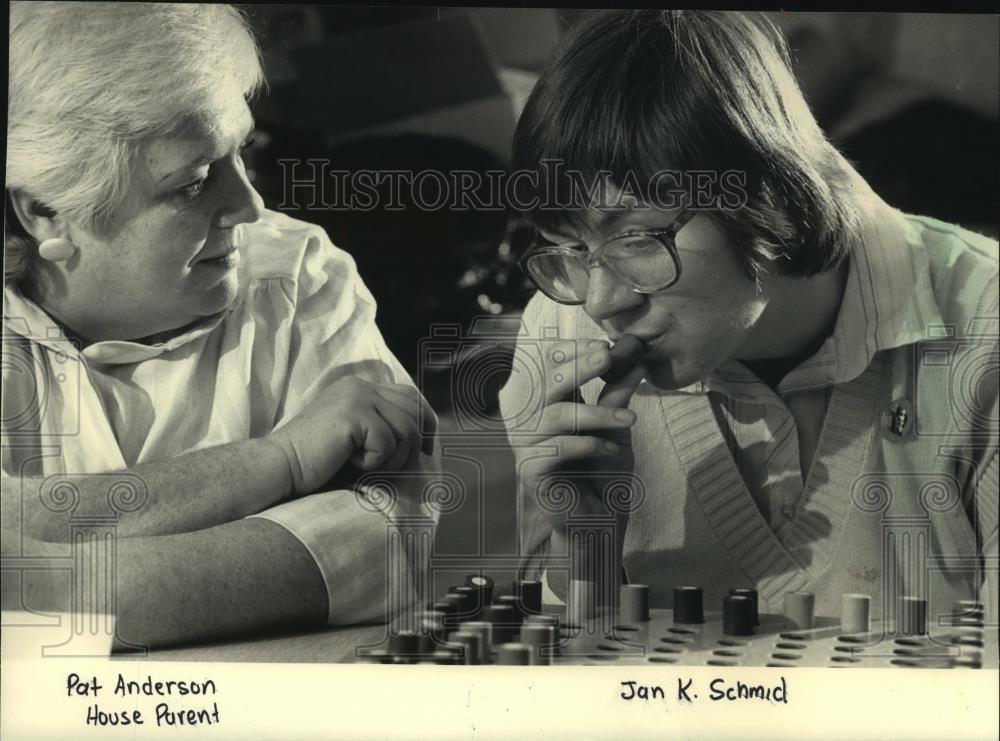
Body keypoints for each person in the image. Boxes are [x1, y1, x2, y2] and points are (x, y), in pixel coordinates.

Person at [500, 10, 998, 626]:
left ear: (772, 195)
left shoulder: (987, 326)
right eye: (570, 248)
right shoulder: (561, 333)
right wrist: (587, 548)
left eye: (635, 238)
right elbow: (542, 696)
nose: (601, 303)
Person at [2, 2, 438, 649]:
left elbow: (392, 538)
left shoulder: (295, 274)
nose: (249, 205)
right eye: (196, 180)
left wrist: (55, 589)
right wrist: (278, 460)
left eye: (243, 152)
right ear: (45, 213)